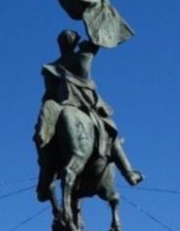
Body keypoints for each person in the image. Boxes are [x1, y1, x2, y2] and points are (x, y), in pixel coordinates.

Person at [33, 29, 143, 199]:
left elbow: (49, 94)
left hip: (59, 106)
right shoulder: (82, 57)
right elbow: (98, 39)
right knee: (111, 132)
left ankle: (45, 181)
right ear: (75, 42)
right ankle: (130, 174)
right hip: (84, 106)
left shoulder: (50, 68)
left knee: (42, 138)